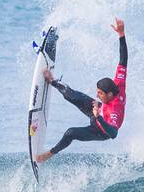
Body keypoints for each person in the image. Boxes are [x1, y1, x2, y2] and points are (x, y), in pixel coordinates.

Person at [34, 18, 127, 164]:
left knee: (71, 133)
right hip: (99, 110)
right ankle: (52, 81)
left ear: (109, 94)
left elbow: (113, 133)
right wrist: (121, 35)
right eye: (98, 92)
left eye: (100, 93)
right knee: (71, 95)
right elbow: (123, 60)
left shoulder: (114, 111)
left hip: (101, 129)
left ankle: (49, 154)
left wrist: (98, 117)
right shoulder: (118, 85)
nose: (97, 95)